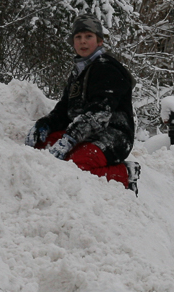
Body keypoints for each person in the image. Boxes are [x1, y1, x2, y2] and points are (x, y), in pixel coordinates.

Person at [26, 15, 140, 192]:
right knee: (42, 147)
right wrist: (45, 125)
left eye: (88, 36)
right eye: (78, 37)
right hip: (84, 132)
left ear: (99, 41)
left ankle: (125, 173)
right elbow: (65, 109)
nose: (83, 42)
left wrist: (69, 139)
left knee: (76, 166)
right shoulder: (78, 71)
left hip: (113, 136)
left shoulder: (107, 68)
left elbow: (99, 114)